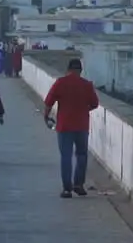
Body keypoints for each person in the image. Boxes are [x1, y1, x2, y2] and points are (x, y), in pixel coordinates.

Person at [43, 58, 100, 198]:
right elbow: (95, 103)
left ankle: (67, 189)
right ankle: (78, 185)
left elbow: (49, 102)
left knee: (66, 157)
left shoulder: (60, 83)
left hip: (64, 126)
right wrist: (84, 109)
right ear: (80, 70)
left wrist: (46, 116)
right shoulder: (87, 85)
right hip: (82, 126)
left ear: (68, 70)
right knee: (81, 155)